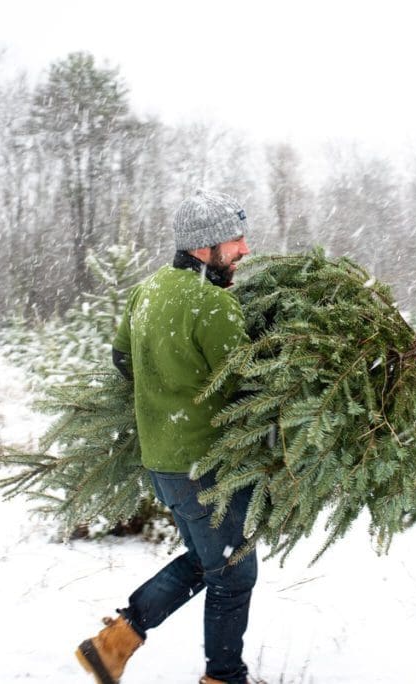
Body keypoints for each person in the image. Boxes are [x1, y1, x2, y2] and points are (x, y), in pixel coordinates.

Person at [75, 189, 257, 684]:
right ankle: (224, 678)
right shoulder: (212, 304)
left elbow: (121, 359)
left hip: (165, 463)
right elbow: (248, 384)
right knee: (234, 573)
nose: (244, 250)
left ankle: (113, 645)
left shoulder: (147, 290)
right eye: (236, 240)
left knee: (205, 561)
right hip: (207, 466)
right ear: (205, 247)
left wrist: (169, 395)